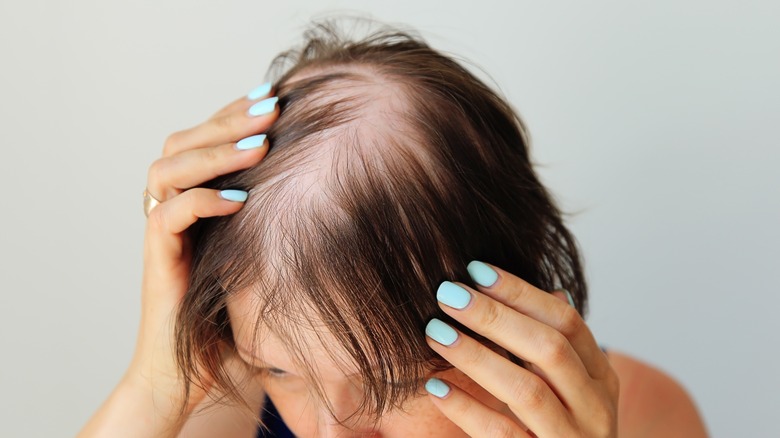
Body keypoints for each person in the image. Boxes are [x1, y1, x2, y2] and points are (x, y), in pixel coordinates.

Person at [79, 19, 708, 438]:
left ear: (516, 305)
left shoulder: (645, 415)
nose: (328, 433)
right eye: (281, 372)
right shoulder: (218, 412)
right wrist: (153, 390)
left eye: (393, 382)